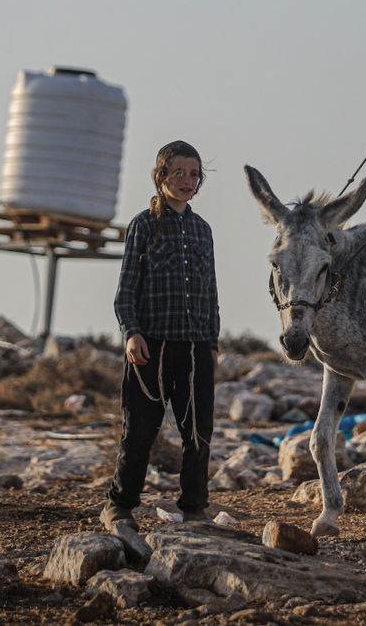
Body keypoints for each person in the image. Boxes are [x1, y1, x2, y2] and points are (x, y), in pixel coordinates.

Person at [101, 141, 219, 534]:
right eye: (179, 173)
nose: (188, 181)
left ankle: (195, 507)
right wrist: (131, 332)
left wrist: (213, 342)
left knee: (199, 431)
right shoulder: (144, 224)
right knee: (140, 429)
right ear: (161, 176)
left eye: (194, 174)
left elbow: (211, 292)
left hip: (195, 346)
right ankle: (120, 505)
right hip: (150, 346)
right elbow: (125, 289)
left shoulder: (203, 230)